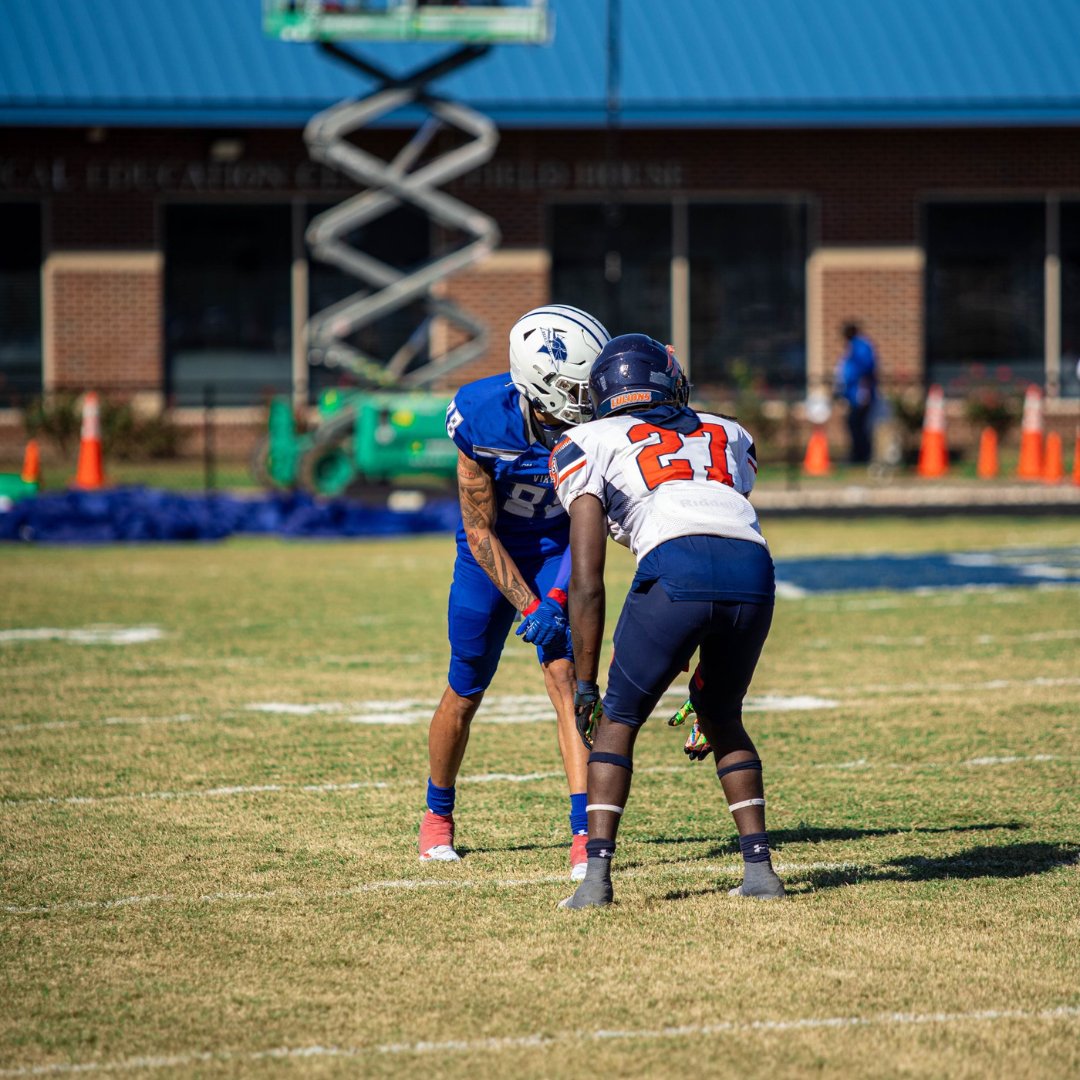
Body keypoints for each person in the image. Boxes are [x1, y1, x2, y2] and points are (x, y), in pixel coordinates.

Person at [549, 333, 784, 908]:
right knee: (722, 714)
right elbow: (722, 517)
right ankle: (760, 872)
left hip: (672, 572)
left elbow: (586, 579)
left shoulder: (586, 441)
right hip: (754, 570)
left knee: (618, 720)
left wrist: (584, 682)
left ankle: (597, 881)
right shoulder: (728, 431)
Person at [419, 305, 611, 881]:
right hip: (491, 555)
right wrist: (528, 605)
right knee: (466, 685)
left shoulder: (599, 423)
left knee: (571, 685)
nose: (590, 396)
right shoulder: (483, 415)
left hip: (561, 547)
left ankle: (585, 835)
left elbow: (591, 524)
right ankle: (437, 816)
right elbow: (479, 529)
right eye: (578, 386)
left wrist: (554, 602)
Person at [835, 321, 878, 464]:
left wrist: (862, 390)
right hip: (853, 392)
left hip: (860, 392)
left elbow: (865, 368)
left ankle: (862, 455)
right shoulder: (854, 346)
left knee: (857, 424)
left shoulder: (860, 346)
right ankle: (858, 454)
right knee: (854, 424)